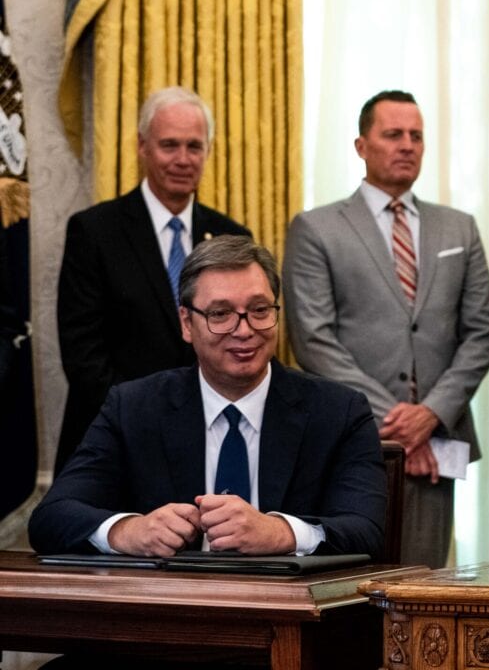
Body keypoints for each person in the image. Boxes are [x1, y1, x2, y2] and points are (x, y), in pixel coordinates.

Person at [29, 236, 385, 558]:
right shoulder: (134, 408)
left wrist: (281, 532)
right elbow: (52, 518)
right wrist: (126, 531)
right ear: (186, 323)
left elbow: (366, 530)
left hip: (290, 615)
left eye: (260, 310)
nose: (244, 330)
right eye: (220, 314)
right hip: (170, 614)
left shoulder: (338, 412)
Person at [282, 89, 489, 569]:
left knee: (426, 586)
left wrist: (431, 416)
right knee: (354, 585)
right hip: (352, 438)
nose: (407, 145)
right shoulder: (316, 228)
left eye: (416, 136)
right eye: (393, 134)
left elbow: (482, 332)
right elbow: (313, 339)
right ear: (361, 146)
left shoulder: (458, 229)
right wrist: (398, 425)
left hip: (437, 451)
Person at [55, 86, 250, 473]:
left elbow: (241, 342)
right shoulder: (94, 231)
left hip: (206, 444)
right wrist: (148, 422)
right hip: (113, 443)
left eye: (194, 146)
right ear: (142, 147)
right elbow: (84, 358)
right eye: (169, 145)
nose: (182, 159)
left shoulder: (232, 238)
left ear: (208, 151)